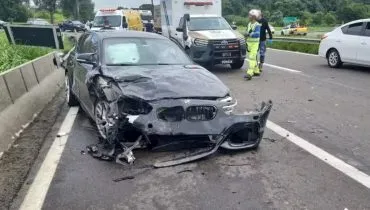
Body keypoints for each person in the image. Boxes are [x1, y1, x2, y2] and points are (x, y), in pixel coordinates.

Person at [244, 9, 261, 81]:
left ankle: (250, 73)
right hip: (249, 43)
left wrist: (249, 34)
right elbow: (247, 31)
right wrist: (245, 34)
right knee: (253, 58)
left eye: (250, 15)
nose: (248, 16)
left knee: (252, 57)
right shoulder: (249, 24)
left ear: (254, 16)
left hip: (255, 44)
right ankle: (256, 71)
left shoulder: (257, 25)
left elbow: (257, 34)